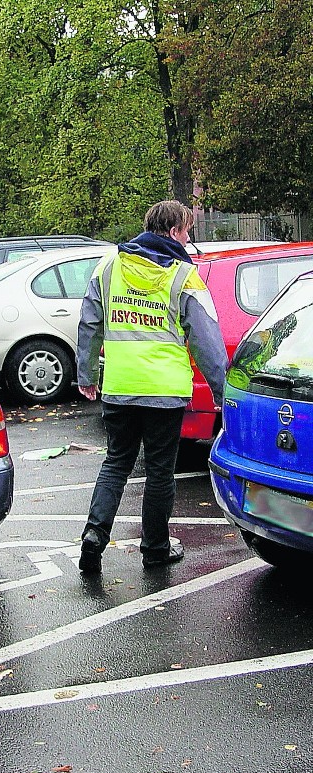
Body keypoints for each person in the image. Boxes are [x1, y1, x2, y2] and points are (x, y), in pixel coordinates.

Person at [76, 200, 228, 575]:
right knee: (161, 472)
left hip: (121, 386)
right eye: (187, 230)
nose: (188, 237)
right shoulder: (184, 277)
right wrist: (223, 394)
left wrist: (86, 375)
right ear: (175, 231)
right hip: (165, 391)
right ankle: (156, 549)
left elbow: (89, 324)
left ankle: (95, 535)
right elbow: (206, 342)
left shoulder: (109, 266)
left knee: (116, 463)